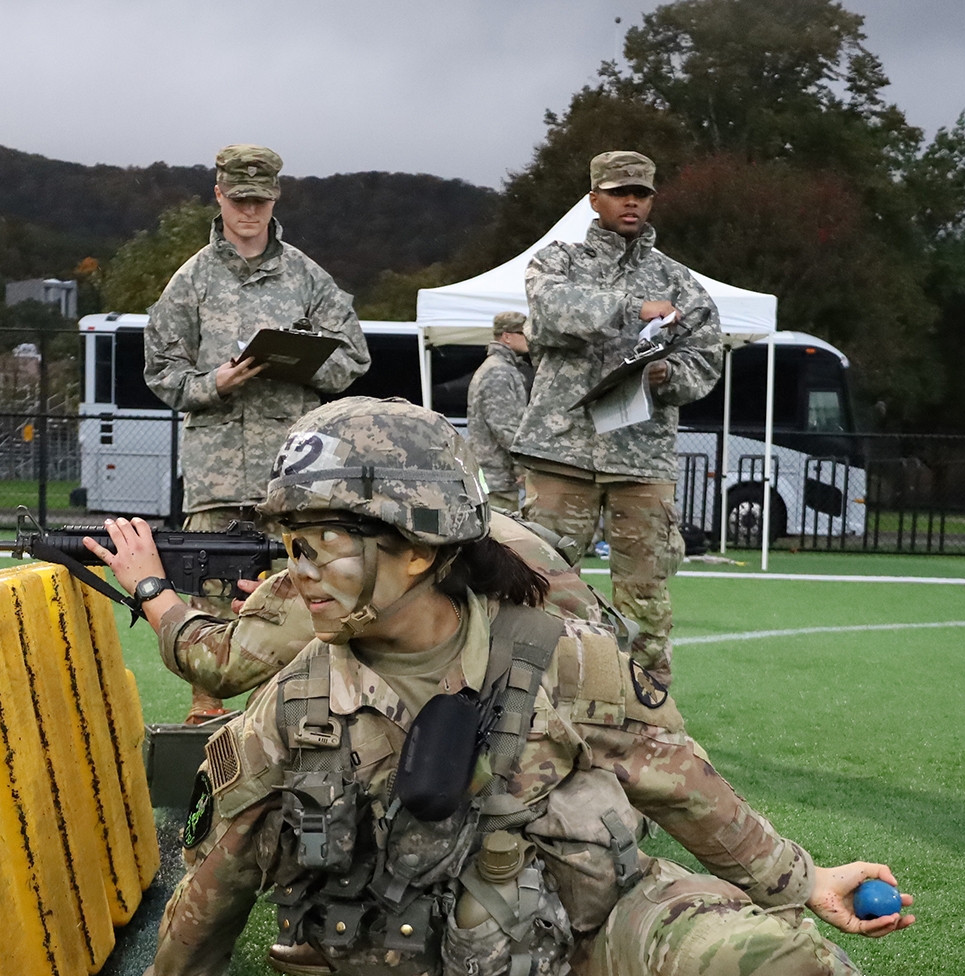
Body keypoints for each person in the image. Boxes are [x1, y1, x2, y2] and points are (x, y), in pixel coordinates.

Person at [50, 397, 965, 976]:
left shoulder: (562, 657)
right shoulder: (293, 703)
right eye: (291, 542)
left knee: (765, 957)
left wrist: (800, 878)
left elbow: (681, 784)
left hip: (613, 950)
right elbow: (227, 859)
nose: (293, 572)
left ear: (414, 545)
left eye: (320, 541)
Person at [145, 143, 370, 720]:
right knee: (212, 600)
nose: (249, 211)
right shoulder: (190, 281)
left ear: (276, 199)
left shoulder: (306, 277)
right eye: (238, 199)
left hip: (293, 474)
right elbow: (160, 371)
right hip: (217, 477)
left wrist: (301, 361)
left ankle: (298, 715)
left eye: (260, 200)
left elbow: (353, 359)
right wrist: (213, 382)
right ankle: (205, 718)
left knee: (305, 597)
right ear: (218, 196)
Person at [509, 150, 721, 695]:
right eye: (619, 191)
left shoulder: (681, 282)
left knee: (645, 596)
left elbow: (707, 362)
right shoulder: (557, 262)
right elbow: (552, 313)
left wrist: (667, 374)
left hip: (640, 459)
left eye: (642, 193)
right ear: (593, 199)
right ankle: (528, 702)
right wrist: (634, 310)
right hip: (563, 453)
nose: (632, 201)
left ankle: (650, 715)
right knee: (541, 585)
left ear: (652, 199)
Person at [84, 508, 608, 704]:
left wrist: (150, 586)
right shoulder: (470, 516)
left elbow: (218, 666)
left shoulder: (359, 544)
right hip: (575, 704)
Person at [463, 312, 535, 514]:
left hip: (494, 474)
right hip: (495, 478)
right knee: (499, 537)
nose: (530, 338)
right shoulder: (499, 371)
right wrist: (523, 466)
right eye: (524, 332)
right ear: (507, 336)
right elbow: (504, 427)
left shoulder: (500, 368)